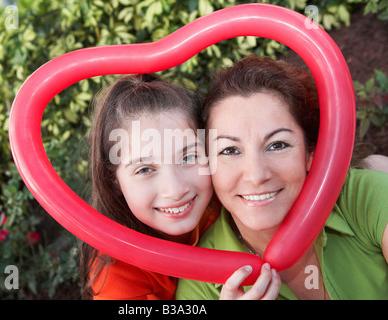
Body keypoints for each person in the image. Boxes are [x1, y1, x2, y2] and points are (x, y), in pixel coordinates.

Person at [176, 55, 388, 300]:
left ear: (311, 153)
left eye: (277, 145)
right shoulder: (198, 285)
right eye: (230, 150)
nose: (256, 175)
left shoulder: (364, 197)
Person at [79, 73, 220, 300]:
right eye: (144, 169)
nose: (175, 190)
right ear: (114, 180)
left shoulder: (227, 203)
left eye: (188, 157)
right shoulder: (115, 268)